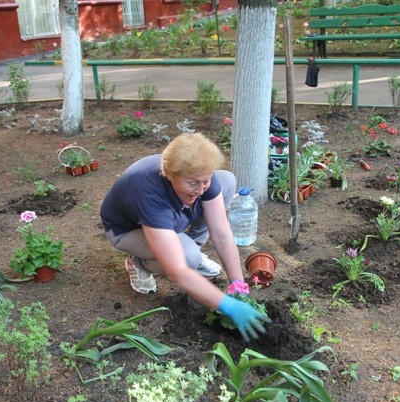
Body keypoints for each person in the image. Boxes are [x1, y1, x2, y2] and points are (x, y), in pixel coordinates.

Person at [100, 132, 271, 341]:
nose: (200, 189)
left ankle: (190, 244)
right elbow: (178, 271)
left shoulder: (198, 174)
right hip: (127, 230)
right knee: (188, 258)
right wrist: (227, 305)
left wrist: (237, 285)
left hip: (169, 220)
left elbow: (222, 233)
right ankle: (139, 263)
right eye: (193, 183)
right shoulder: (150, 194)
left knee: (226, 181)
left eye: (206, 180)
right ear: (170, 174)